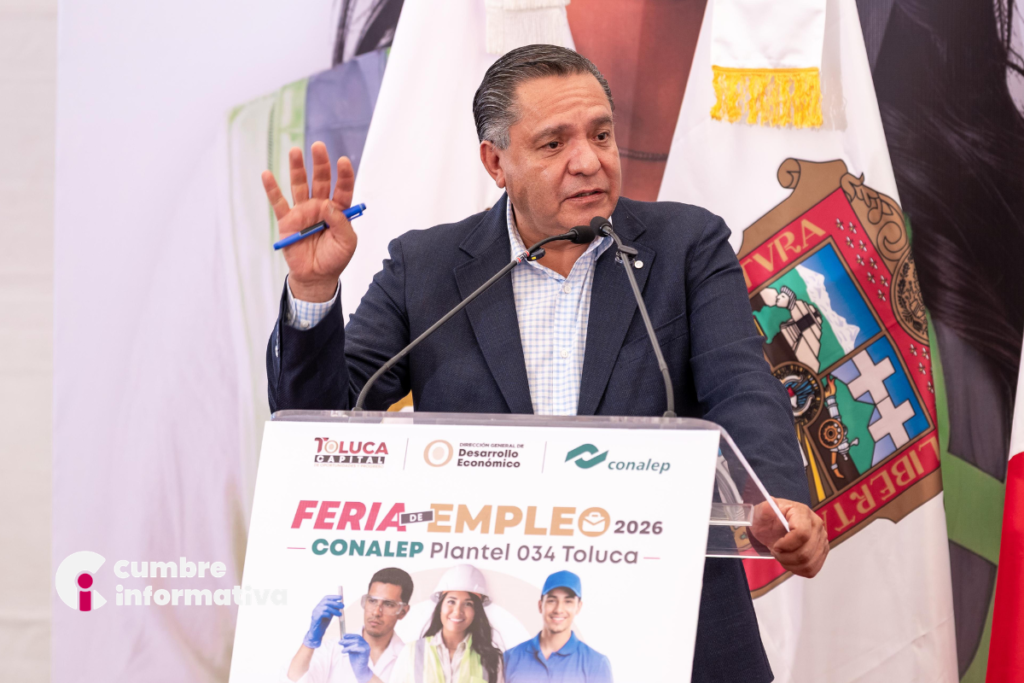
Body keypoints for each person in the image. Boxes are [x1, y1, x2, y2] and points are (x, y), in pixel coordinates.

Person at [262, 44, 829, 682]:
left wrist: (774, 497)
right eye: (554, 143)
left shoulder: (686, 245)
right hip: (502, 628)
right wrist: (313, 291)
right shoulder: (426, 268)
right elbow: (322, 422)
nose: (588, 161)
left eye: (601, 135)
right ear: (495, 162)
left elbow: (740, 383)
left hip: (676, 619)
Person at [287, 567, 414, 683]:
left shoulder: (412, 660)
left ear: (403, 612)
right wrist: (309, 642)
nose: (376, 612)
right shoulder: (332, 650)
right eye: (372, 601)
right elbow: (292, 680)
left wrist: (366, 676)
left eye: (388, 604)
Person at [389, 564, 504, 682]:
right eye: (451, 602)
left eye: (468, 604)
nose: (457, 611)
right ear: (440, 606)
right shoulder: (412, 652)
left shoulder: (492, 660)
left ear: (476, 611)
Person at [503, 571, 611, 683]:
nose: (559, 609)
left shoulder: (596, 664)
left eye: (568, 601)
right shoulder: (510, 658)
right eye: (552, 601)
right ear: (540, 605)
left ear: (578, 607)